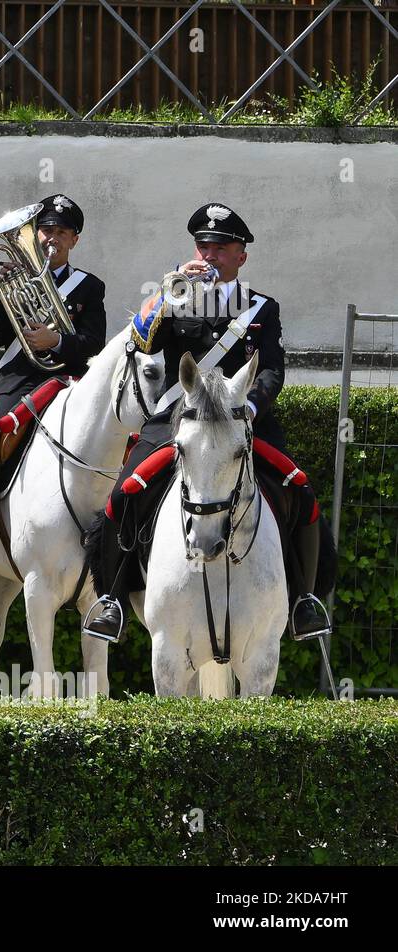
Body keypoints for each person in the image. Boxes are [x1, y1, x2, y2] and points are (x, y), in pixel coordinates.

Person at [81, 202, 330, 644]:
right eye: (203, 245)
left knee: (300, 490)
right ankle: (113, 600)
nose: (210, 254)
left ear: (241, 255)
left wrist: (250, 407)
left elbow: (271, 368)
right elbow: (142, 340)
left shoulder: (261, 308)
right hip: (180, 419)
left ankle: (304, 601)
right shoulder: (175, 298)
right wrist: (165, 292)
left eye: (221, 247)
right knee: (124, 492)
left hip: (242, 421)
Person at [0, 194, 108, 645]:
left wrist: (56, 340)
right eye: (45, 230)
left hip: (67, 378)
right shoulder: (14, 280)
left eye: (61, 233)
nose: (51, 239)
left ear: (74, 240)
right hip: (21, 377)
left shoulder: (88, 287)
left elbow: (92, 343)